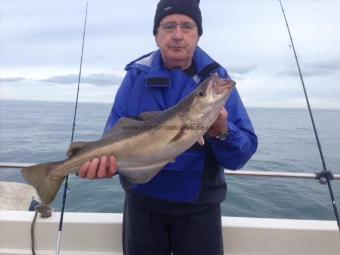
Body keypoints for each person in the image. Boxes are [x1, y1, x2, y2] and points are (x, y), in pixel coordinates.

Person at [79, 0, 258, 254]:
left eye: (187, 26)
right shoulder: (136, 76)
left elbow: (243, 152)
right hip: (142, 208)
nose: (177, 35)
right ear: (156, 35)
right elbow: (113, 136)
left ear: (198, 35)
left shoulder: (215, 79)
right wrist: (103, 164)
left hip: (199, 210)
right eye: (168, 26)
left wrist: (221, 131)